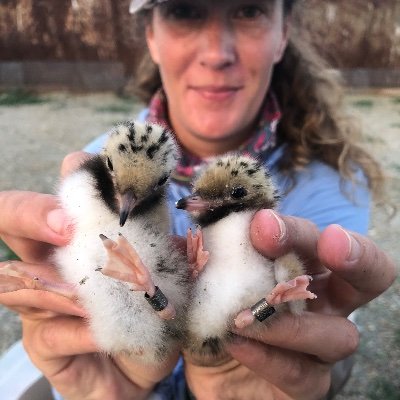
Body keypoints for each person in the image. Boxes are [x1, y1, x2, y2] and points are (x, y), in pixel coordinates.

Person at [0, 0, 396, 399]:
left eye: (249, 11)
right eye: (185, 11)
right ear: (151, 37)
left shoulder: (334, 187)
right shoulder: (94, 160)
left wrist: (323, 368)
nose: (216, 54)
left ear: (283, 35)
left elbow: (326, 328)